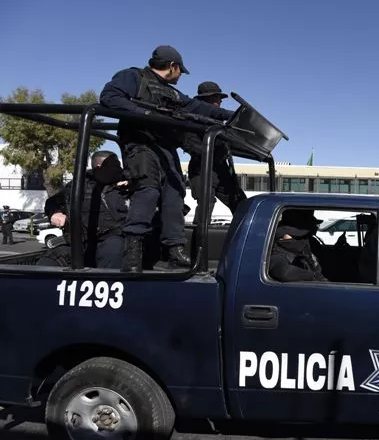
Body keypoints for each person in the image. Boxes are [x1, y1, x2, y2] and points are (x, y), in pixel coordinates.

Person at [99, 45, 233, 272]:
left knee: (175, 193)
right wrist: (147, 115)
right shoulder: (133, 77)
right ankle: (133, 252)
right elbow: (109, 97)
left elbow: (199, 107)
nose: (180, 76)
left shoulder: (172, 93)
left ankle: (175, 250)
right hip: (141, 144)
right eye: (180, 71)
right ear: (172, 67)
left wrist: (232, 116)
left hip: (165, 148)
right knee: (148, 191)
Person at [37, 151, 129, 268]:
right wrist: (55, 213)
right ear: (99, 167)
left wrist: (130, 186)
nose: (118, 169)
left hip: (110, 240)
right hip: (77, 242)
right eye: (114, 166)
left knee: (113, 251)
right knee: (47, 264)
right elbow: (53, 202)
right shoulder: (79, 184)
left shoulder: (125, 184)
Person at [184, 81, 247, 225]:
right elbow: (189, 144)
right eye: (212, 100)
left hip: (221, 167)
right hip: (202, 166)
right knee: (206, 204)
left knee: (239, 202)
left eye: (218, 99)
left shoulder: (218, 121)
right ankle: (198, 242)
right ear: (201, 102)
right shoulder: (193, 119)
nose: (217, 103)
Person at [268, 209, 327, 282]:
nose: (301, 239)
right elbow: (284, 272)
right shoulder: (276, 254)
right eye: (294, 236)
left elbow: (318, 270)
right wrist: (312, 276)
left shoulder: (308, 247)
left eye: (302, 237)